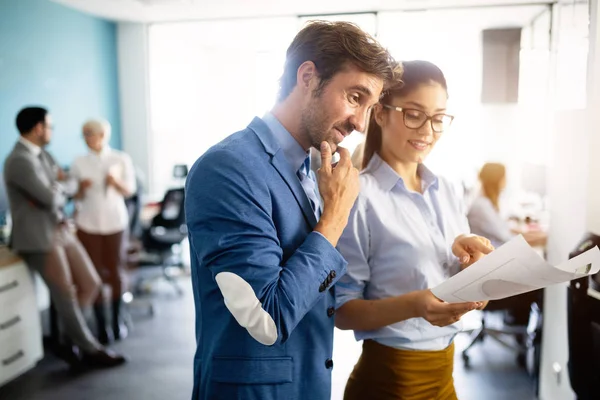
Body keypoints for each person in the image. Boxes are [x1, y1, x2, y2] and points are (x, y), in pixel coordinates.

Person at [185, 21, 399, 400]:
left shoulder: (310, 168)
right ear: (307, 76)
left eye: (370, 107)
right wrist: (334, 217)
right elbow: (266, 317)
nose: (361, 123)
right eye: (354, 97)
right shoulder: (228, 168)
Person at [334, 61, 494, 400]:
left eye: (438, 118)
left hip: (444, 376)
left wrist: (472, 264)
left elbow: (451, 274)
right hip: (390, 382)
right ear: (380, 113)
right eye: (414, 114)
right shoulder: (358, 195)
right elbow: (342, 311)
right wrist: (415, 305)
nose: (427, 130)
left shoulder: (448, 189)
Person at [3, 106, 126, 368]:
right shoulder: (19, 160)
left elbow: (67, 183)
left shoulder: (44, 155)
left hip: (61, 229)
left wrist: (59, 188)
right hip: (38, 237)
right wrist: (60, 189)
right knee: (65, 294)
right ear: (38, 128)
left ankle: (70, 338)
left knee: (91, 283)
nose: (51, 131)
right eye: (49, 126)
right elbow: (51, 197)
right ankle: (89, 349)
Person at [71, 119, 136, 344]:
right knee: (95, 274)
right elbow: (74, 196)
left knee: (116, 272)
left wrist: (115, 181)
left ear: (102, 135)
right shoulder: (79, 162)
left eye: (90, 133)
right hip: (88, 225)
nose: (87, 138)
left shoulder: (120, 158)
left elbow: (130, 191)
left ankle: (117, 321)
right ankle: (102, 327)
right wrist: (80, 188)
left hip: (115, 223)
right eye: (84, 134)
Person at [467, 162, 547, 248]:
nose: (506, 181)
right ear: (497, 180)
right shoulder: (481, 206)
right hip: (495, 253)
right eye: (504, 177)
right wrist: (543, 239)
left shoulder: (487, 203)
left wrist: (540, 235)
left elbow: (505, 229)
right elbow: (507, 238)